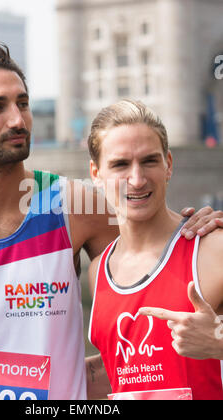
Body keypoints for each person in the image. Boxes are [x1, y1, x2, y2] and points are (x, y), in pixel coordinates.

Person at [0, 43, 220, 400]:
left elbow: (159, 257)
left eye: (23, 103)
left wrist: (198, 231)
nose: (18, 120)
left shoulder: (75, 205)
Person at [87, 99, 223, 400]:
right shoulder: (98, 271)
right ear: (96, 174)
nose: (137, 180)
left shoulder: (212, 248)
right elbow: (120, 374)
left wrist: (218, 341)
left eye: (149, 161)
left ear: (168, 164)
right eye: (120, 164)